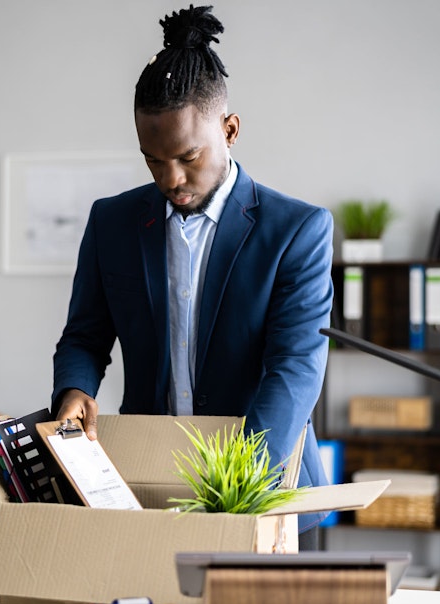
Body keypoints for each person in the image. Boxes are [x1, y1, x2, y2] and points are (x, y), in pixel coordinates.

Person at [51, 5, 333, 549]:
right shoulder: (111, 221)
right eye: (153, 162)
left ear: (230, 130)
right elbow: (85, 335)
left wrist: (238, 486)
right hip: (144, 478)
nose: (171, 179)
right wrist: (75, 388)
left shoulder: (298, 229)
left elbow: (295, 367)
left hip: (261, 483)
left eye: (187, 157)